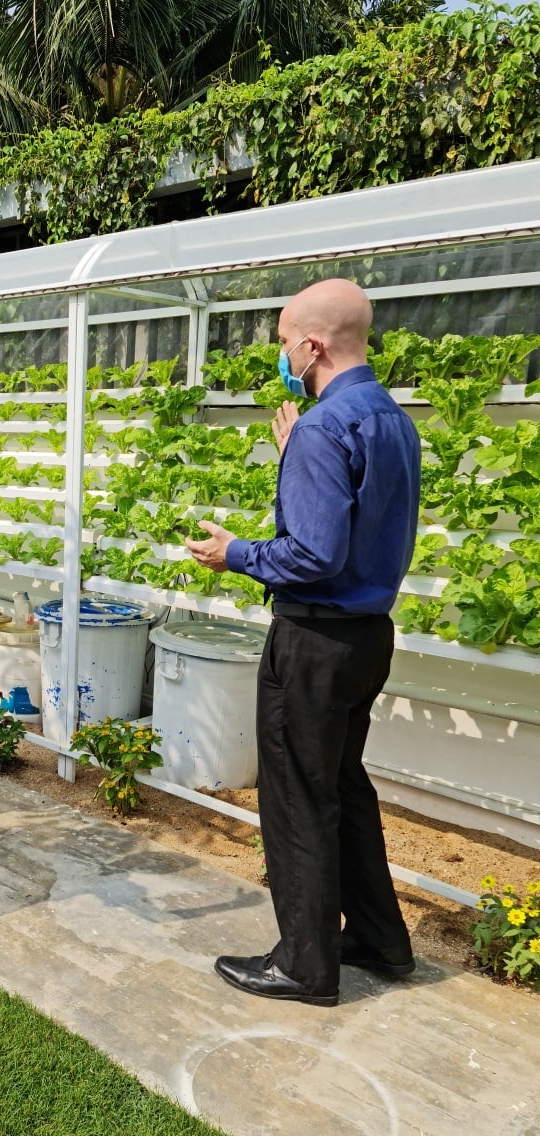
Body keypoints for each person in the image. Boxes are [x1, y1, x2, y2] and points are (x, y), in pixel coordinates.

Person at [186, 277, 420, 1007]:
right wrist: (300, 453)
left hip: (313, 642)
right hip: (365, 639)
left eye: (286, 341)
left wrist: (238, 554)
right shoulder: (390, 420)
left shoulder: (325, 427)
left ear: (312, 345)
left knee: (296, 795)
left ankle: (304, 963)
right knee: (343, 786)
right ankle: (380, 939)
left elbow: (313, 556)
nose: (283, 355)